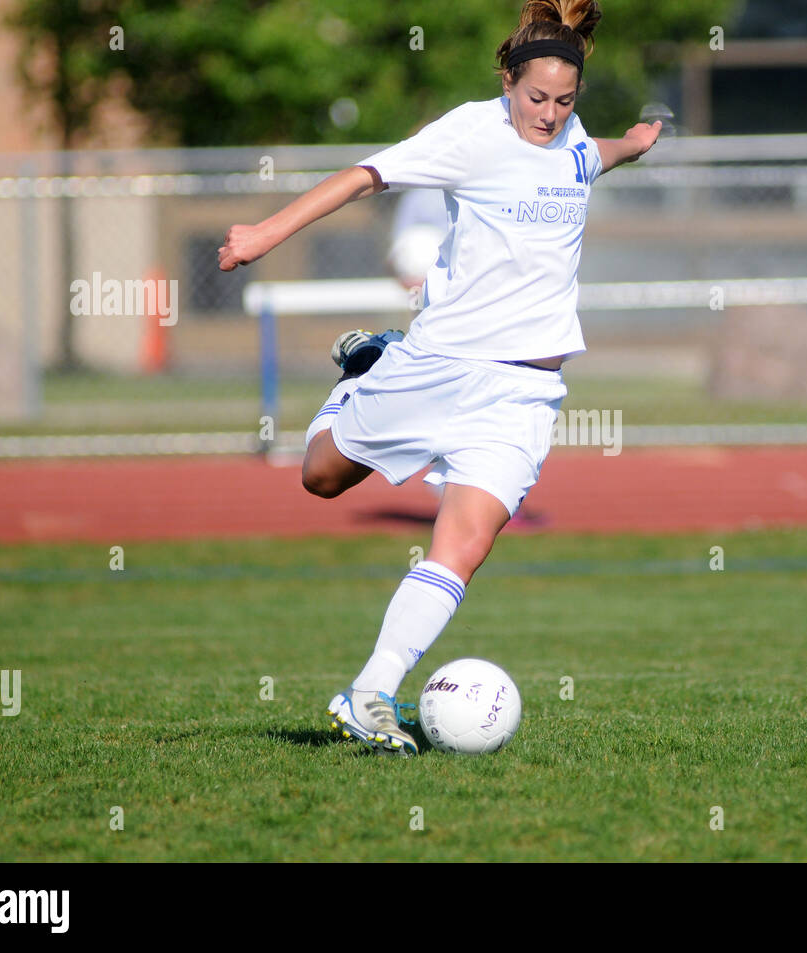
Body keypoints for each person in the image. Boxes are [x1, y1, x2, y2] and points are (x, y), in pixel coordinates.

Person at [218, 0, 660, 755]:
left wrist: (634, 144)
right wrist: (265, 232)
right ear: (508, 80)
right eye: (536, 99)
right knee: (321, 477)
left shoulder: (574, 136)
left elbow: (591, 159)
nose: (549, 115)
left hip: (525, 392)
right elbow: (363, 177)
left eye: (565, 101)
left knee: (466, 540)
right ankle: (366, 367)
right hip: (440, 366)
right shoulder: (471, 130)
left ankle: (371, 694)